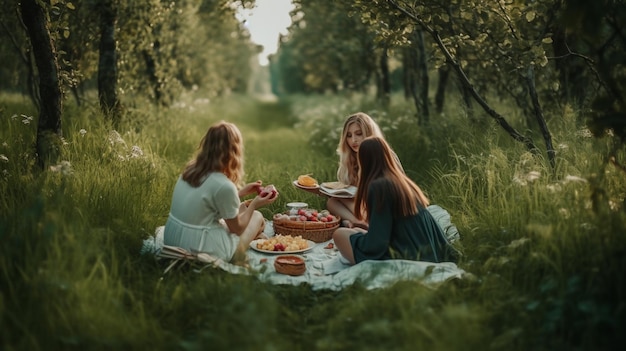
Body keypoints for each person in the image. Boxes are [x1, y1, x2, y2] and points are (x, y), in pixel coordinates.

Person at [163, 121, 278, 266]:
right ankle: (240, 252)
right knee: (256, 216)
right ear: (234, 151)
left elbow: (205, 200)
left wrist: (240, 193)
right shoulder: (224, 185)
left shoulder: (190, 171)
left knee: (241, 208)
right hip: (200, 247)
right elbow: (236, 229)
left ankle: (256, 237)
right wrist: (254, 204)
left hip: (173, 239)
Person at [332, 136, 456, 265]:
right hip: (422, 247)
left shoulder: (378, 186)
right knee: (356, 231)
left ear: (364, 160)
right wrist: (366, 227)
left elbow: (377, 244)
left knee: (339, 235)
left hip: (409, 254)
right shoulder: (401, 181)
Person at [327, 112, 401, 229]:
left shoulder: (382, 156)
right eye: (349, 135)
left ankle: (357, 223)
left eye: (359, 134)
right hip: (361, 209)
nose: (353, 140)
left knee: (339, 198)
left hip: (381, 207)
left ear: (369, 134)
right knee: (332, 201)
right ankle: (359, 223)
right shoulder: (350, 158)